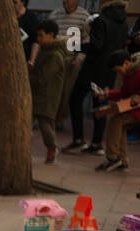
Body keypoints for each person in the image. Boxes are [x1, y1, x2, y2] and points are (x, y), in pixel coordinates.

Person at [62, 0, 127, 156]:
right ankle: (97, 143)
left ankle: (79, 139)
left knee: (76, 99)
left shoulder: (101, 20)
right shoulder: (123, 22)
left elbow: (96, 46)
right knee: (100, 104)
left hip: (92, 72)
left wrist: (76, 46)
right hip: (109, 71)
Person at [97, 48, 140, 172]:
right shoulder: (129, 74)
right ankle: (121, 160)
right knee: (120, 125)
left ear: (127, 63)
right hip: (138, 105)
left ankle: (114, 158)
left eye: (119, 70)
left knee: (116, 121)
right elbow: (124, 93)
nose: (119, 73)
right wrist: (107, 94)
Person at [50, 0, 91, 132]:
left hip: (71, 58)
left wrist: (80, 58)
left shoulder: (84, 16)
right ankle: (49, 118)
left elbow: (86, 39)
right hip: (55, 57)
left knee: (66, 91)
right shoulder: (55, 14)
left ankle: (59, 119)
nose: (66, 2)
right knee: (51, 90)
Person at [30, 18, 65, 163]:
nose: (38, 39)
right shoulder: (46, 50)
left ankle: (52, 148)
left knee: (46, 126)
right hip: (38, 94)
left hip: (48, 97)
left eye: (41, 35)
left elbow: (43, 78)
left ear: (51, 35)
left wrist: (28, 77)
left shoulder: (55, 55)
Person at [16, 0, 41, 65]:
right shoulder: (8, 16)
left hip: (25, 58)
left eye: (15, 2)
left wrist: (31, 61)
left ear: (23, 2)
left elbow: (35, 41)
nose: (12, 5)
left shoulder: (31, 17)